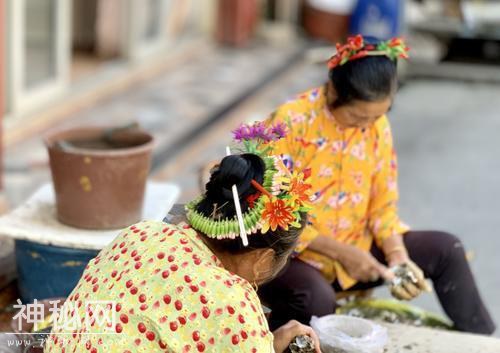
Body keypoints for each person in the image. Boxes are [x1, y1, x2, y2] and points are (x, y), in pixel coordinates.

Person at [257, 35, 496, 334]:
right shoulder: (289, 123)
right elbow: (271, 214)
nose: (366, 126)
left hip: (359, 248)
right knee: (315, 299)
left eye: (377, 117)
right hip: (294, 258)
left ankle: (481, 340)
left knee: (446, 249)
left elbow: (383, 205)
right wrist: (342, 253)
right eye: (357, 116)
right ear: (332, 91)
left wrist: (397, 257)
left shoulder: (376, 125)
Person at [45, 142, 321, 352]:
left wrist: (266, 342)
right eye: (285, 258)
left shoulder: (141, 233)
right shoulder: (232, 303)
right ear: (262, 259)